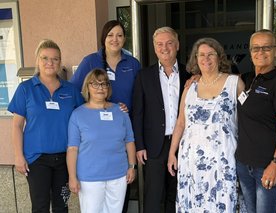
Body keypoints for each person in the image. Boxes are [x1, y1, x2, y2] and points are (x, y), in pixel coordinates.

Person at [167, 37, 245, 212]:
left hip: (223, 159)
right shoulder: (190, 87)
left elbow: (247, 121)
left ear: (219, 57)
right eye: (201, 55)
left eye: (211, 54)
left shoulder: (235, 83)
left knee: (222, 202)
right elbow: (180, 122)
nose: (206, 59)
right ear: (196, 59)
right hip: (191, 160)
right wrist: (172, 153)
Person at [8, 39, 84, 212]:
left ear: (60, 62)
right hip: (36, 160)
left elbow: (86, 116)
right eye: (45, 58)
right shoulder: (25, 89)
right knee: (40, 207)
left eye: (55, 59)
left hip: (65, 160)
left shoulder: (70, 90)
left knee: (61, 207)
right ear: (37, 61)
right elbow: (17, 126)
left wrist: (114, 107)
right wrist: (18, 156)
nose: (50, 62)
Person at [236, 29, 276, 213]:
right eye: (256, 48)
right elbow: (215, 80)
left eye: (266, 47)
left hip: (267, 166)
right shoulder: (246, 79)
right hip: (244, 166)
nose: (260, 52)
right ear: (250, 51)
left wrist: (275, 164)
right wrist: (197, 79)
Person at [132, 26, 191, 213]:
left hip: (183, 144)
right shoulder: (144, 76)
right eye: (159, 44)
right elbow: (138, 112)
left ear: (178, 45)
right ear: (154, 47)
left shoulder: (189, 74)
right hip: (153, 146)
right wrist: (139, 145)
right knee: (153, 195)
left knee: (176, 193)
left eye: (169, 43)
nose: (164, 48)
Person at [67, 68, 136, 213]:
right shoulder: (77, 115)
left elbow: (129, 140)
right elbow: (73, 149)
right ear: (87, 87)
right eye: (95, 84)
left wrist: (132, 166)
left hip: (119, 174)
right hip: (90, 177)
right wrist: (72, 177)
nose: (100, 88)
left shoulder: (121, 111)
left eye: (104, 84)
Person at [70, 20, 141, 113]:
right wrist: (86, 108)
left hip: (125, 122)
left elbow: (140, 96)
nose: (115, 39)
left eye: (119, 36)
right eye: (110, 35)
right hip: (96, 121)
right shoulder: (90, 61)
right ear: (104, 38)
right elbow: (72, 90)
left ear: (124, 39)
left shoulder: (133, 64)